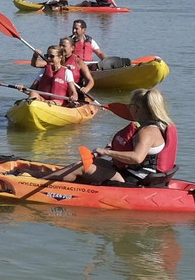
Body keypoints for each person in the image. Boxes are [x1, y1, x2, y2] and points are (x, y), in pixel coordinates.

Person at [46, 89, 176, 186]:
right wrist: (114, 152)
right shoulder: (155, 126)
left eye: (130, 106)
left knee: (82, 168)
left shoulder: (147, 132)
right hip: (132, 173)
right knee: (87, 163)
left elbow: (137, 157)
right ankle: (45, 176)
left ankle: (39, 181)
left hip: (134, 180)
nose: (128, 109)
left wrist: (107, 152)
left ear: (136, 109)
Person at [28, 38, 96, 99]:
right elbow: (35, 64)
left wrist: (86, 89)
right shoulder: (51, 61)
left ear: (72, 48)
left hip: (72, 93)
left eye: (64, 46)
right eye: (60, 45)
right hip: (56, 93)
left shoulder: (78, 62)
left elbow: (90, 80)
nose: (61, 47)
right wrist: (35, 56)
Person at [24, 45, 89, 104]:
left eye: (52, 56)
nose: (49, 58)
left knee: (51, 102)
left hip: (57, 102)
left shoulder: (67, 72)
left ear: (60, 58)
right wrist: (23, 89)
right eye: (47, 56)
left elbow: (73, 92)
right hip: (43, 100)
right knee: (33, 93)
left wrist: (74, 96)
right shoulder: (44, 70)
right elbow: (31, 89)